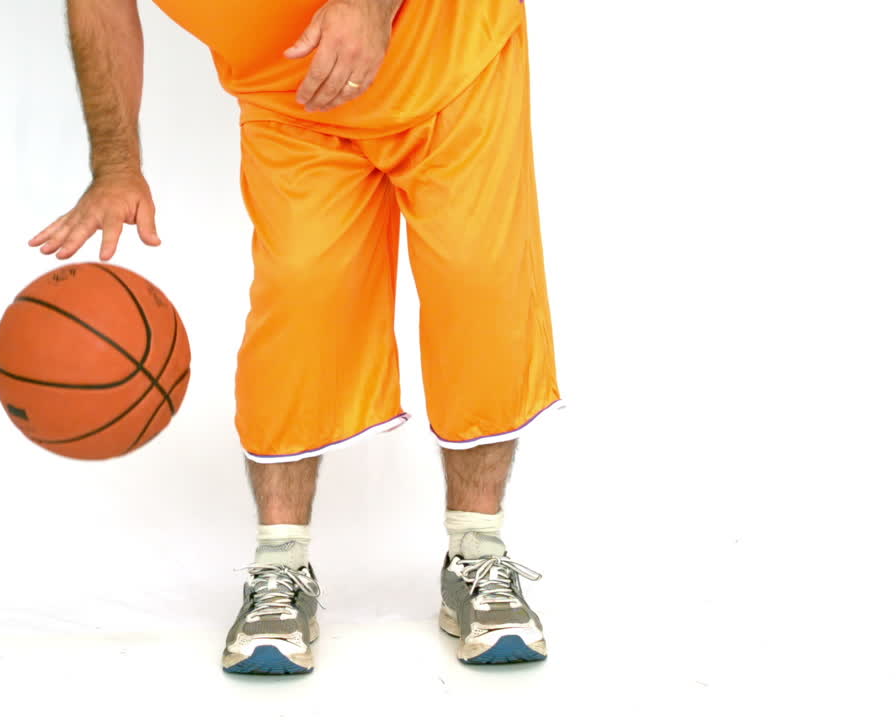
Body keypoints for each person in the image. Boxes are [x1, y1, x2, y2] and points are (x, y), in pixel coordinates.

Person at [31, 0, 562, 673]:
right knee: (298, 304)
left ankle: (477, 554)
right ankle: (281, 567)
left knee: (478, 284)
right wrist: (116, 165)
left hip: (449, 49)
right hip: (295, 99)